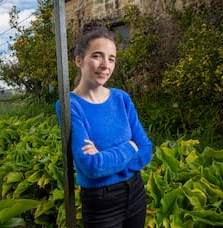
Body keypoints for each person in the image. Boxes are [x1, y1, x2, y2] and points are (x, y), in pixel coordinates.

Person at [55, 20, 153, 227]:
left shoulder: (121, 98)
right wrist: (129, 147)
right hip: (102, 202)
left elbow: (145, 150)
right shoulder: (69, 104)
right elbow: (91, 167)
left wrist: (105, 157)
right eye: (97, 56)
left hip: (136, 192)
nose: (105, 66)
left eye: (111, 59)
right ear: (79, 60)